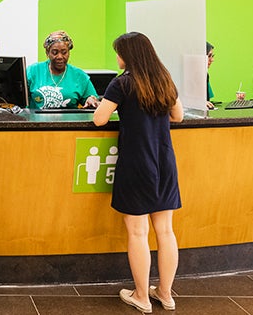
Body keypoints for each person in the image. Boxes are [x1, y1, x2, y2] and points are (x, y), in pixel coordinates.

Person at [93, 32, 184, 314]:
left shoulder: (122, 83)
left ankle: (142, 296)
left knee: (137, 232)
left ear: (129, 55)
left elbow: (99, 120)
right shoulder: (163, 79)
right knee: (166, 231)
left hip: (135, 164)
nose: (117, 58)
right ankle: (165, 294)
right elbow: (177, 116)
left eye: (119, 53)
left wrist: (104, 103)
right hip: (164, 162)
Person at [26, 30, 100, 109]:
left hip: (69, 120)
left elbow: (91, 98)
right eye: (55, 52)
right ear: (47, 53)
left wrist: (91, 99)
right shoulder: (33, 71)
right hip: (36, 120)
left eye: (64, 52)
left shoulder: (79, 76)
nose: (60, 57)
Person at [206, 41, 215, 109]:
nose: (212, 60)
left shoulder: (205, 75)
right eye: (209, 56)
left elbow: (208, 100)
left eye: (212, 56)